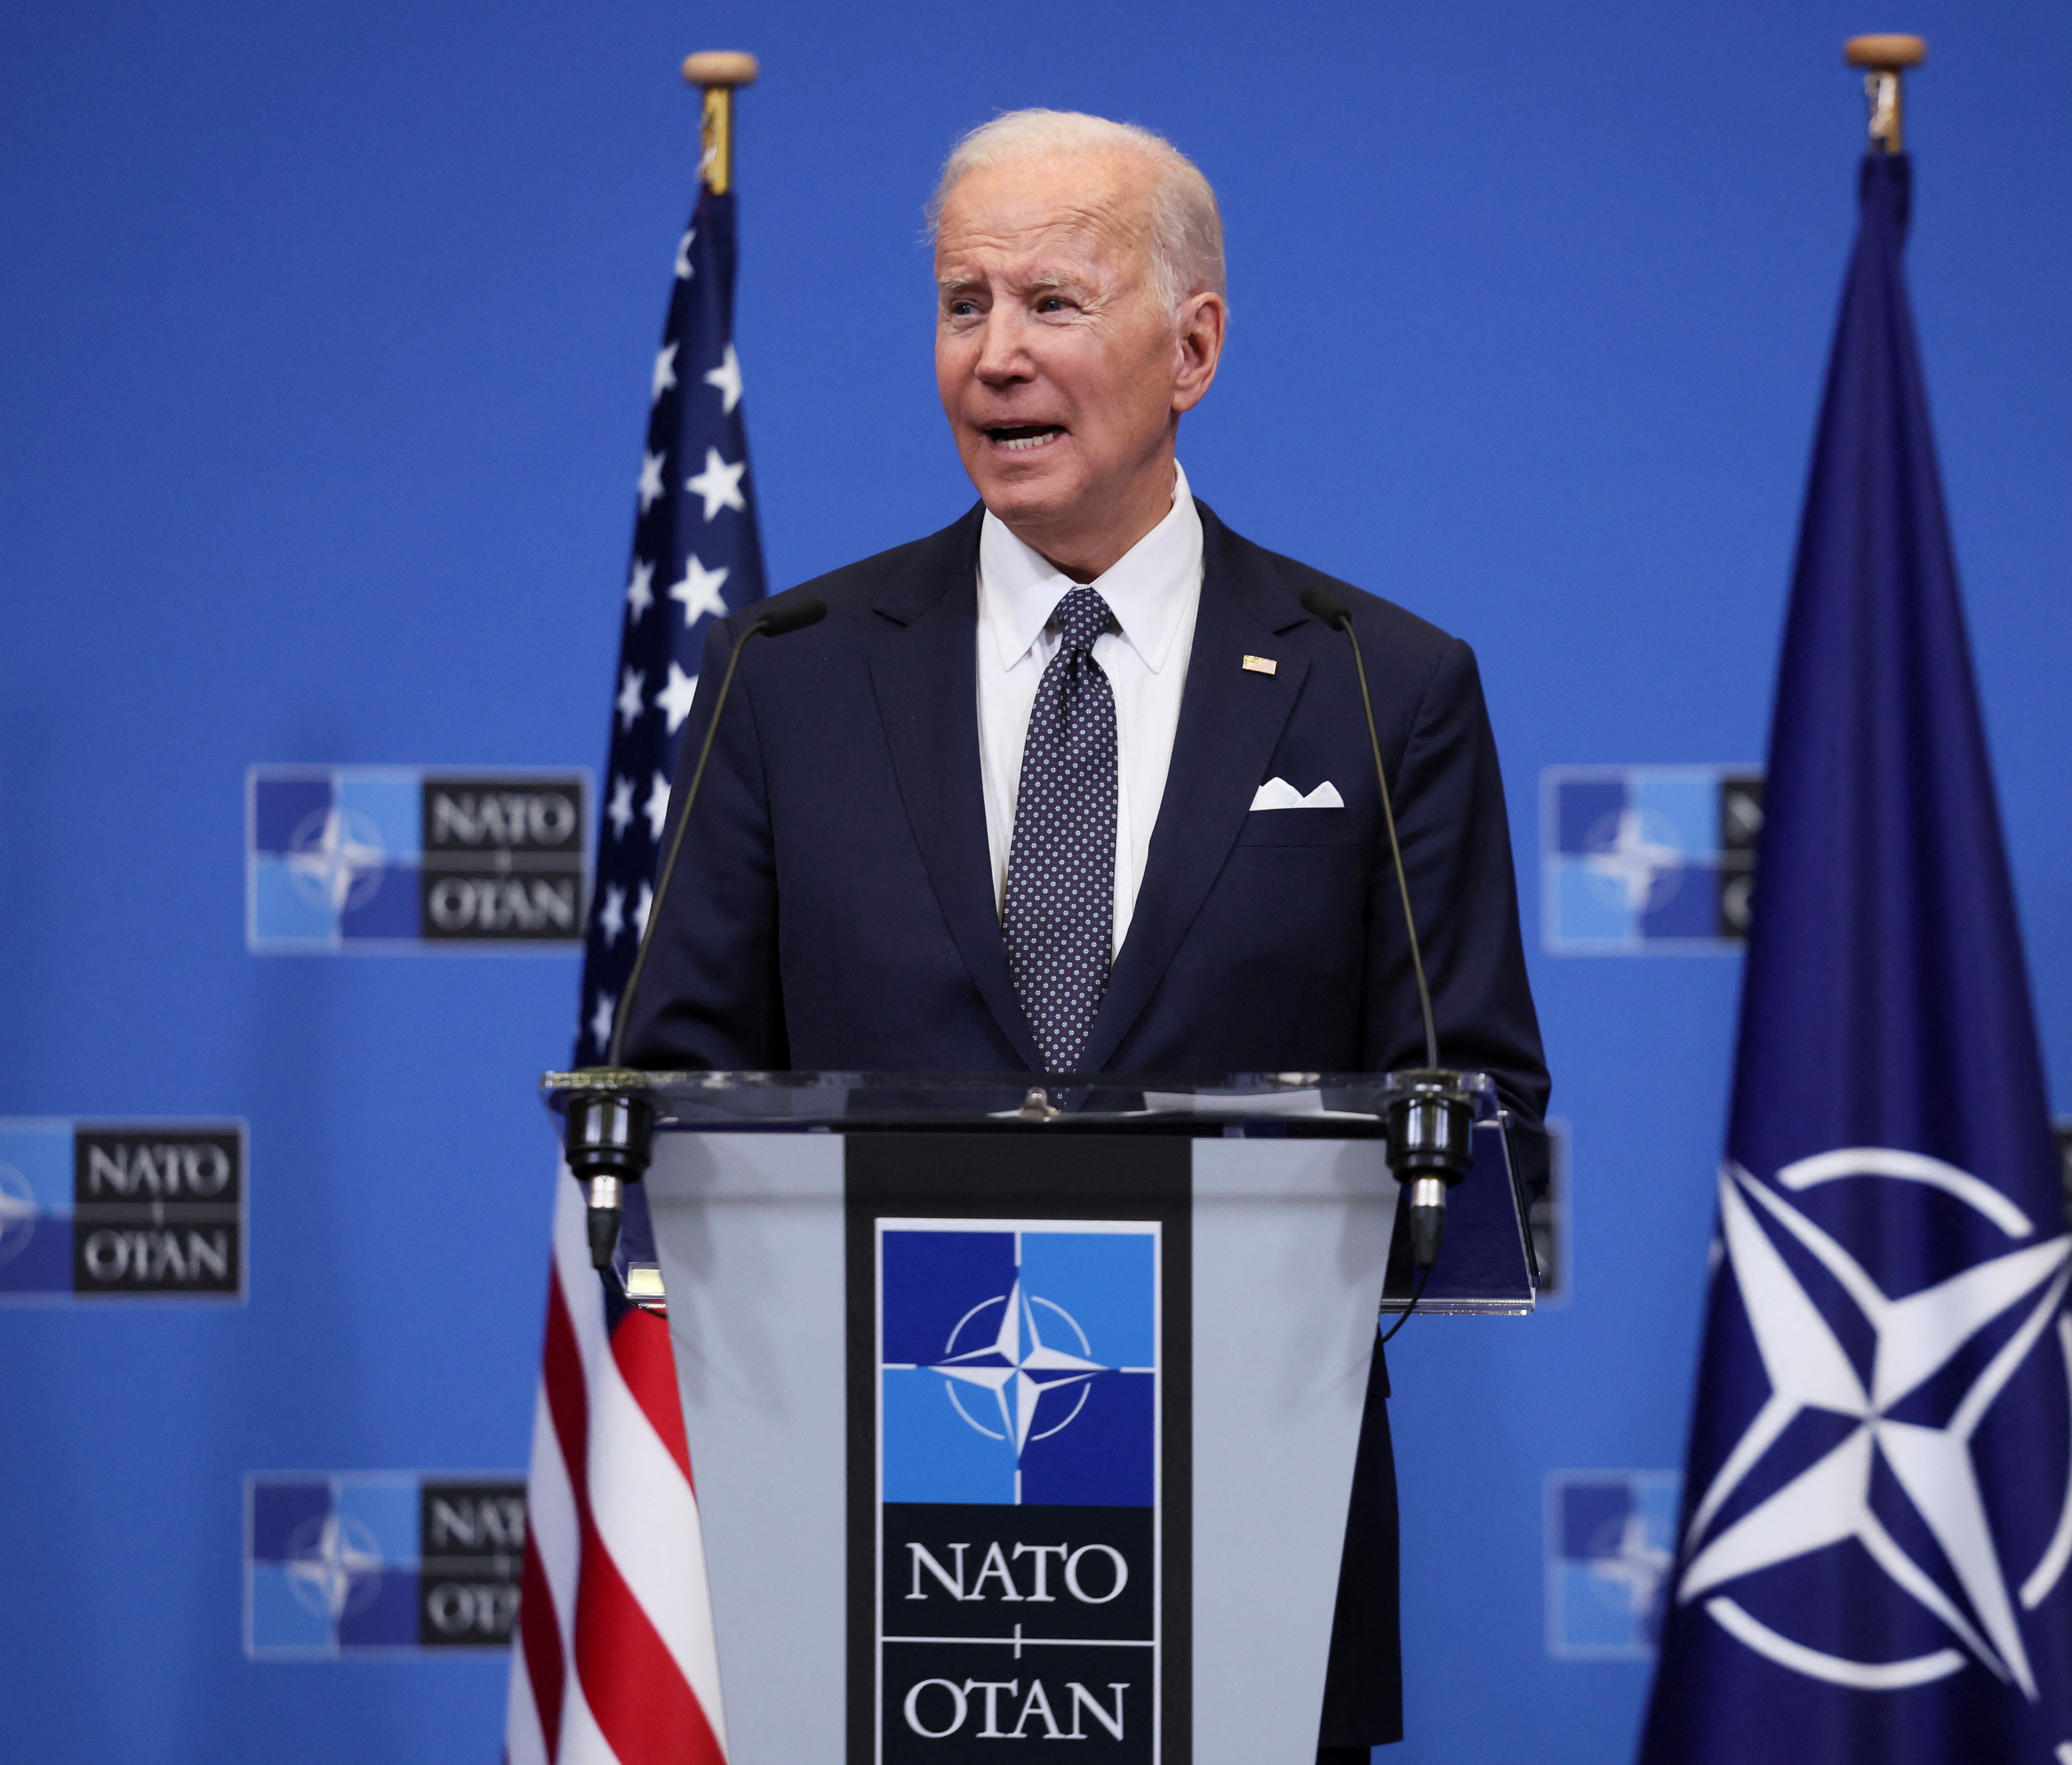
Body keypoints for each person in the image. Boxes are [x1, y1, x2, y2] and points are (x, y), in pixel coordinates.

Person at [624, 108, 1550, 1763]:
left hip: (1252, 1539)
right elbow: (674, 1096)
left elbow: (1475, 1113)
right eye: (961, 304)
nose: (994, 356)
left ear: (1192, 348)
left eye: (1052, 302)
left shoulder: (1375, 683)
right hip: (876, 1544)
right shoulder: (790, 675)